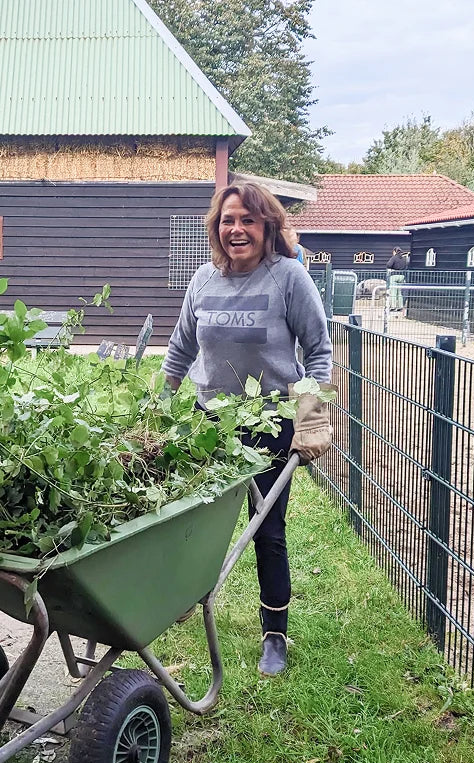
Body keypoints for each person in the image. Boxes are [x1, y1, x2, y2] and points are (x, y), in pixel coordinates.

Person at [162, 182, 334, 677]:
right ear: (216, 228)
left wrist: (311, 416)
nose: (236, 230)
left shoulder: (288, 279)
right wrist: (156, 408)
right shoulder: (203, 280)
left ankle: (274, 633)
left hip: (269, 424)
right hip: (210, 422)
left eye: (248, 221)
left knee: (268, 532)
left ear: (267, 227)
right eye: (227, 220)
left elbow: (319, 351)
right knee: (190, 520)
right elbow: (179, 350)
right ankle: (183, 599)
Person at [386, 246, 408, 313]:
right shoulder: (404, 258)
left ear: (395, 251)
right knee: (399, 292)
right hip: (402, 276)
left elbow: (388, 265)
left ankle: (393, 307)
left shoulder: (394, 258)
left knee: (393, 291)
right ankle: (400, 306)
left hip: (394, 275)